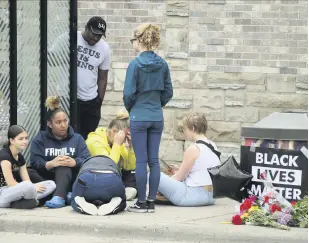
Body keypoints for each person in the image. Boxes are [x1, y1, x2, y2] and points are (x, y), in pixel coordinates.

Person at [123, 23, 173, 213]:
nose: (133, 44)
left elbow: (128, 94)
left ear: (139, 40)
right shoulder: (162, 64)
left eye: (133, 40)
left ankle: (141, 202)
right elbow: (169, 92)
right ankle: (151, 202)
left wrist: (133, 108)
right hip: (156, 116)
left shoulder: (135, 64)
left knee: (141, 161)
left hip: (139, 115)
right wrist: (157, 104)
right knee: (154, 160)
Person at [30, 96, 90, 208]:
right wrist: (50, 164)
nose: (63, 125)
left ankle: (59, 197)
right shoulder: (40, 139)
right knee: (28, 172)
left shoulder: (77, 139)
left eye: (65, 121)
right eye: (58, 122)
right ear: (49, 124)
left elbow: (87, 160)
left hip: (69, 179)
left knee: (63, 165)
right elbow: (34, 162)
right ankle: (66, 196)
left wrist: (74, 162)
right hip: (48, 181)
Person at [156, 112, 220, 207]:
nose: (184, 133)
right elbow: (201, 170)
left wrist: (166, 183)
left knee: (154, 176)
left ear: (193, 128)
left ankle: (156, 193)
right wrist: (179, 170)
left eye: (184, 129)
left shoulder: (193, 148)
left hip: (192, 195)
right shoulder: (213, 146)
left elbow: (179, 178)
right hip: (211, 197)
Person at [0, 125, 56, 208]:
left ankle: (19, 202)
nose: (25, 141)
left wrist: (32, 186)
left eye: (26, 138)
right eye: (21, 139)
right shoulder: (5, 156)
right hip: (3, 192)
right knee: (28, 186)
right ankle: (26, 202)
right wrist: (32, 187)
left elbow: (27, 180)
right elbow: (10, 183)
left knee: (51, 184)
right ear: (12, 140)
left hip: (17, 191)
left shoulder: (20, 157)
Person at [85, 111, 137, 200]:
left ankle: (124, 191)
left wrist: (132, 147)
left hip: (116, 177)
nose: (124, 141)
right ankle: (122, 192)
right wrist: (117, 144)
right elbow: (108, 166)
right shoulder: (94, 142)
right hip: (98, 177)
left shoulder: (118, 142)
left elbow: (130, 167)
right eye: (124, 136)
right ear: (113, 131)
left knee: (137, 173)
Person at [77, 16, 110, 139]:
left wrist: (98, 102)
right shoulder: (71, 37)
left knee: (86, 140)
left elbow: (103, 77)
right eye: (94, 33)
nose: (95, 38)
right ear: (86, 27)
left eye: (99, 35)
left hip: (90, 101)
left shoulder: (104, 48)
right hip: (68, 99)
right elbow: (52, 59)